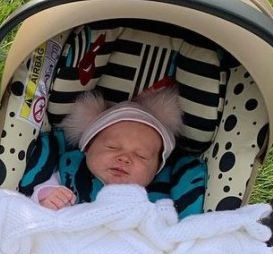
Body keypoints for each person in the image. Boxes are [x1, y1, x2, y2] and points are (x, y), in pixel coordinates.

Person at [30, 86, 187, 210]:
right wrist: (47, 198)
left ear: (157, 169)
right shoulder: (68, 173)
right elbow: (33, 202)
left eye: (141, 156)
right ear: (87, 147)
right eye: (112, 147)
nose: (124, 158)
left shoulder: (160, 199)